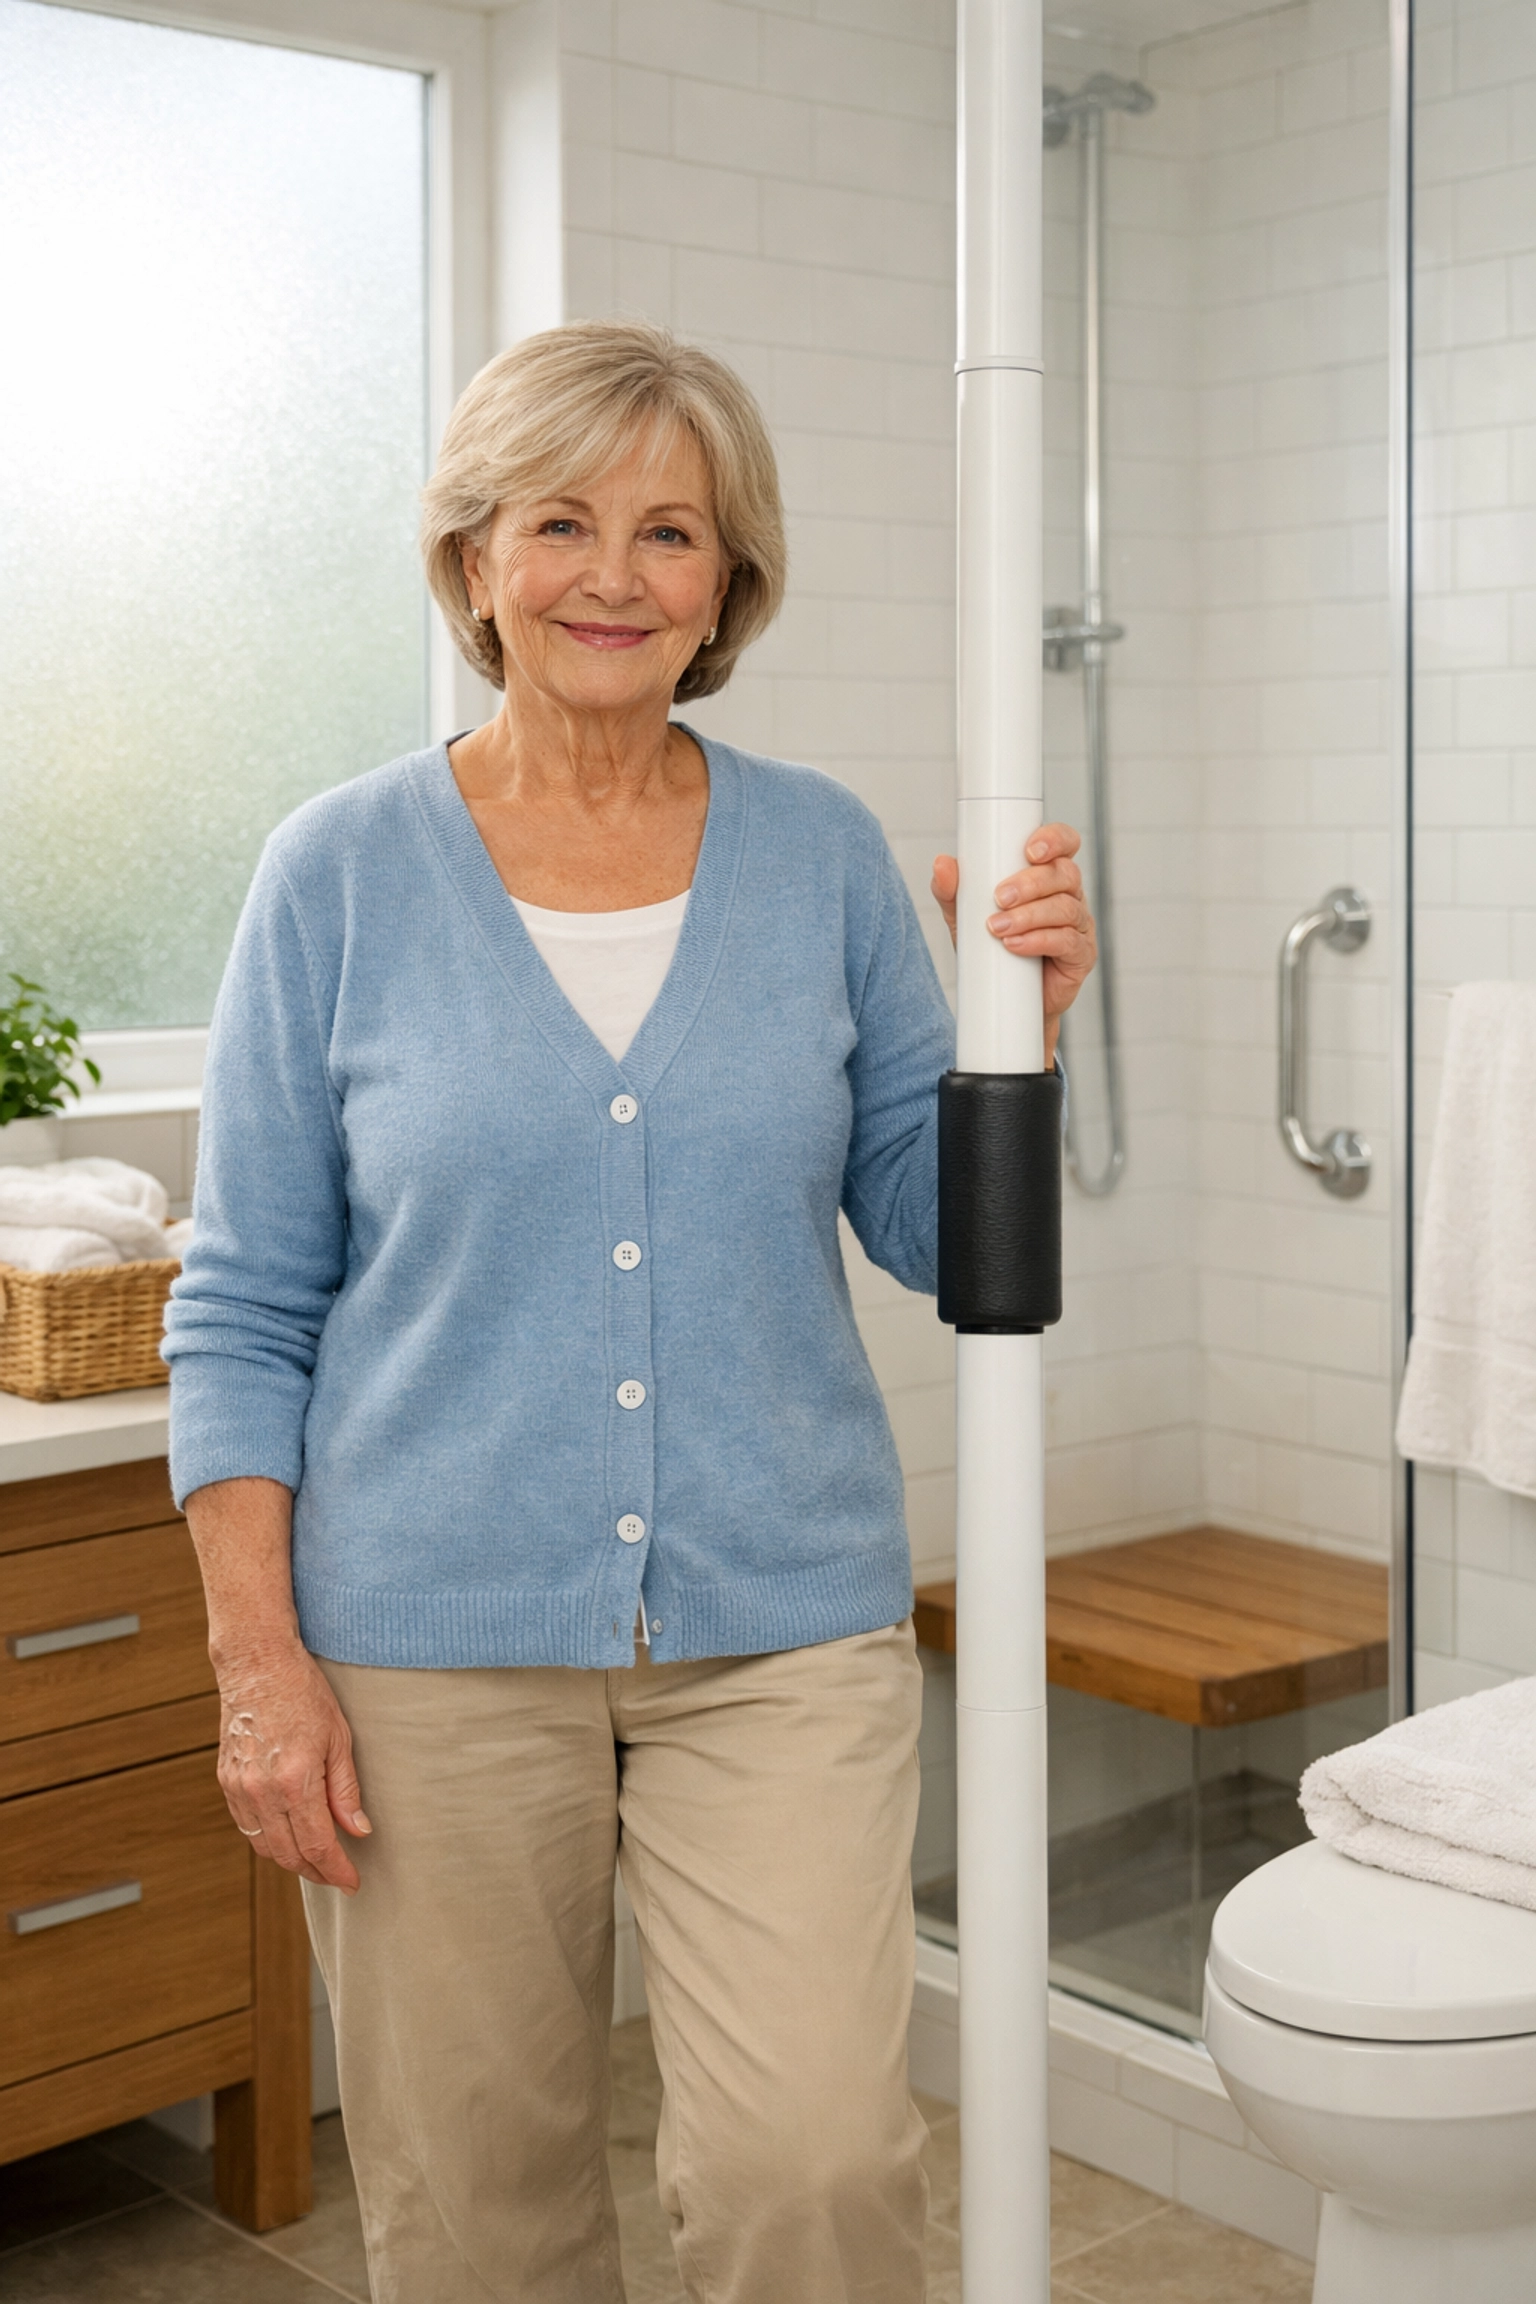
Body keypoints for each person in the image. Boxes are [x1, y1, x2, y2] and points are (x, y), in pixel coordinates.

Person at [165, 320, 1096, 2304]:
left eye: (670, 534)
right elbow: (242, 1306)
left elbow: (939, 1238)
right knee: (478, 2215)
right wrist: (263, 1663)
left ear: (727, 585)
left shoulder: (824, 856)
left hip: (781, 1627)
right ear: (475, 560)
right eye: (562, 521)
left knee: (815, 2172)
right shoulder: (332, 873)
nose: (613, 575)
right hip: (426, 1645)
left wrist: (1032, 1042)